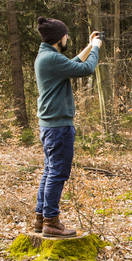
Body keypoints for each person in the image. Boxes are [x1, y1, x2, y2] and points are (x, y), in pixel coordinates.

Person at [34, 16, 102, 237]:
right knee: (57, 174)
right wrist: (96, 49)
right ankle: (51, 222)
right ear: (59, 38)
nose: (67, 38)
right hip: (59, 128)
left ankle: (41, 218)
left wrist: (90, 45)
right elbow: (86, 69)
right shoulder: (51, 59)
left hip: (50, 126)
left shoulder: (47, 57)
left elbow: (71, 63)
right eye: (66, 35)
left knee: (49, 172)